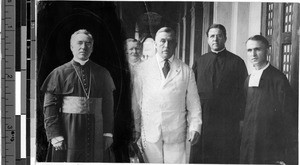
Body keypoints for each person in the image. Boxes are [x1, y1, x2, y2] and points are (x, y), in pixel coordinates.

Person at [41, 29, 115, 162]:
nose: (83, 47)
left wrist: (107, 133)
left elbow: (108, 106)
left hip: (96, 131)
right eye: (79, 43)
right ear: (71, 46)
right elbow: (49, 108)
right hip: (68, 130)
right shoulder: (59, 73)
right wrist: (55, 135)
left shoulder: (103, 73)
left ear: (92, 48)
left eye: (88, 43)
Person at [132, 27, 202, 163]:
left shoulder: (186, 70)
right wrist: (135, 128)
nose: (166, 45)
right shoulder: (143, 69)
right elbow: (136, 102)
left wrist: (195, 127)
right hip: (150, 132)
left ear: (175, 44)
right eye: (162, 41)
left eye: (170, 41)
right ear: (155, 44)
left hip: (176, 133)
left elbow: (194, 103)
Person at [190, 24, 248, 163]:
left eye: (219, 35)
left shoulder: (237, 62)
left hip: (227, 119)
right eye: (212, 36)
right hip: (204, 116)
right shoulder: (200, 61)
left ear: (225, 38)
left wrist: (241, 119)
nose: (215, 39)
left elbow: (243, 93)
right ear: (208, 40)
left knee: (225, 155)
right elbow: (191, 92)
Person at [240, 35, 297, 164]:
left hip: (269, 144)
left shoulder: (278, 79)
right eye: (249, 50)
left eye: (257, 49)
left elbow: (288, 117)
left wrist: (282, 153)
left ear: (267, 51)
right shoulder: (248, 79)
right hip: (249, 141)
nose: (253, 54)